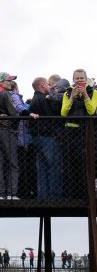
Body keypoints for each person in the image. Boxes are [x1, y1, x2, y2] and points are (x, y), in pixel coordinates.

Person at [0, 72, 38, 200]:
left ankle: (0, 194)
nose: (10, 83)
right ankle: (12, 193)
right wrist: (26, 115)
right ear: (1, 82)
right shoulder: (5, 94)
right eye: (8, 81)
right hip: (7, 131)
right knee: (13, 163)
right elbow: (14, 113)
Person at [61, 68, 97, 199]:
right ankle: (72, 194)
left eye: (82, 78)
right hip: (70, 131)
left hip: (87, 132)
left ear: (86, 80)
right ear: (73, 80)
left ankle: (86, 194)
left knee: (86, 163)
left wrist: (86, 95)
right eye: (77, 78)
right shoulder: (67, 93)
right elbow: (63, 113)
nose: (79, 81)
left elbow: (92, 111)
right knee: (71, 163)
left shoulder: (94, 93)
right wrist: (72, 97)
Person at [29, 77, 63, 201]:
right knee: (54, 165)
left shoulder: (34, 99)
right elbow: (54, 114)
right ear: (43, 85)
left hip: (38, 137)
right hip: (47, 136)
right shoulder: (43, 99)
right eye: (48, 85)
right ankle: (55, 196)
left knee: (42, 168)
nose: (50, 87)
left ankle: (43, 197)